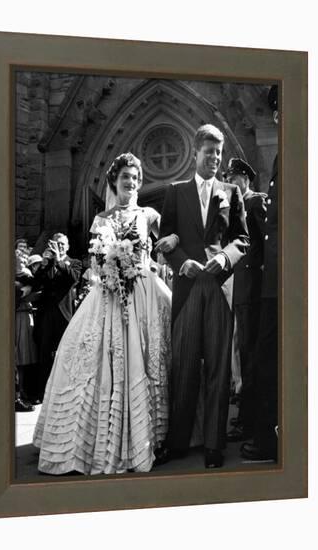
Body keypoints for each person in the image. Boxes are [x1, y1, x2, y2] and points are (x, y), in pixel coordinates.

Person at [33, 152, 175, 475]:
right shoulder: (102, 220)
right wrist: (108, 262)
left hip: (142, 291)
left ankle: (151, 436)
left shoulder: (149, 215)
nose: (132, 182)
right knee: (89, 355)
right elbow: (94, 260)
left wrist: (164, 253)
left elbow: (167, 244)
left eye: (136, 178)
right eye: (126, 176)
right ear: (115, 181)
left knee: (150, 353)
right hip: (110, 291)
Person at [156, 124, 249, 468]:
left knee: (218, 369)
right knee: (184, 367)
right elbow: (166, 238)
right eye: (209, 151)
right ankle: (179, 441)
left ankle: (214, 444)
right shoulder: (175, 191)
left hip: (220, 287)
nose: (214, 158)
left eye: (219, 152)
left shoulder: (230, 192)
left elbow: (243, 239)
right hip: (187, 287)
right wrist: (182, 264)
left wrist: (225, 257)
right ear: (195, 153)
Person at [240, 85, 279, 461]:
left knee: (266, 355)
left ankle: (268, 437)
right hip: (265, 283)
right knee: (258, 354)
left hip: (276, 281)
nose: (280, 117)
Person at [224, 158, 266, 442]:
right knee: (242, 352)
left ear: (245, 179)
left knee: (251, 355)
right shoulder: (237, 208)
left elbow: (265, 243)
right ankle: (246, 417)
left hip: (253, 288)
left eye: (234, 178)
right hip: (240, 289)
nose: (231, 183)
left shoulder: (255, 203)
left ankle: (250, 421)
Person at [32, 233, 82, 401]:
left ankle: (65, 391)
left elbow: (73, 279)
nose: (59, 247)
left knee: (66, 353)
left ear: (67, 246)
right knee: (45, 352)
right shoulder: (47, 262)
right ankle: (43, 393)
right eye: (56, 244)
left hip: (64, 314)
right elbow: (36, 283)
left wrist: (60, 259)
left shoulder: (74, 263)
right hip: (47, 314)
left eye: (62, 244)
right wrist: (46, 264)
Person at [15, 254, 43, 410]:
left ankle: (25, 391)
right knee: (19, 356)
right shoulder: (16, 279)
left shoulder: (27, 276)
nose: (24, 260)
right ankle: (18, 394)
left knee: (26, 357)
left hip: (27, 314)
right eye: (20, 258)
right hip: (19, 316)